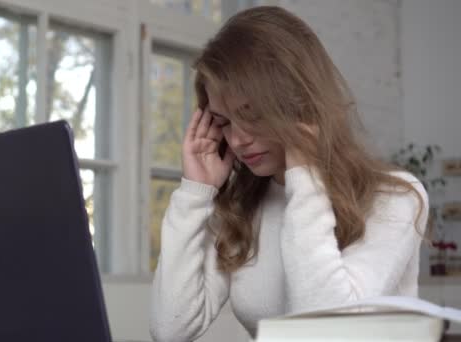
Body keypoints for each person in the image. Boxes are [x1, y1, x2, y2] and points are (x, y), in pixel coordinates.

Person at [149, 5, 429, 342]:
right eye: (223, 122)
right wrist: (195, 192)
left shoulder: (395, 198)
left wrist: (305, 174)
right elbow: (171, 330)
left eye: (252, 115)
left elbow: (327, 334)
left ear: (298, 104)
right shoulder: (241, 207)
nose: (237, 139)